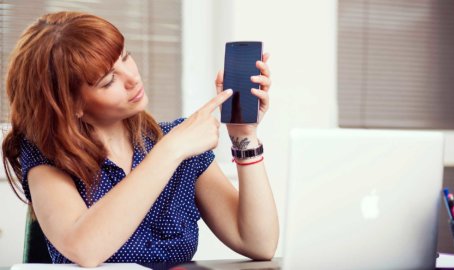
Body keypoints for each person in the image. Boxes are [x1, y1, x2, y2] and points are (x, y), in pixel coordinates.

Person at [2, 11, 278, 267]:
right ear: (72, 105)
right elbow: (85, 249)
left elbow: (258, 243)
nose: (132, 78)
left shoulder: (175, 142)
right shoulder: (47, 156)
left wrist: (244, 137)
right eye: (109, 80)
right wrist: (170, 151)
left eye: (125, 57)